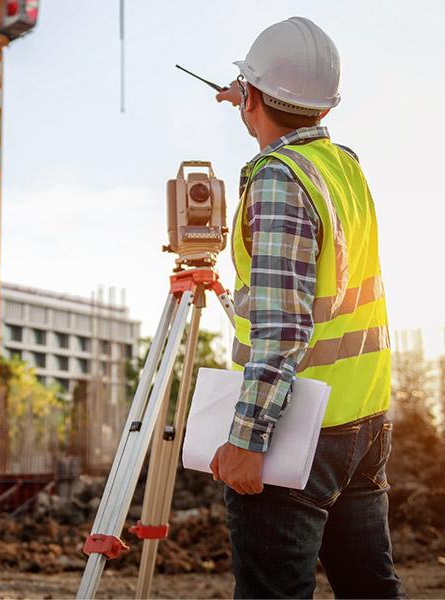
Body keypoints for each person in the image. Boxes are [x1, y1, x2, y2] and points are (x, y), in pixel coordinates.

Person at [209, 17, 404, 598]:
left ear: (253, 97)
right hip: (362, 422)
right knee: (370, 589)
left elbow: (283, 325)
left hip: (297, 431)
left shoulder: (277, 180)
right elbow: (314, 299)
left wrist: (246, 441)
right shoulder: (343, 166)